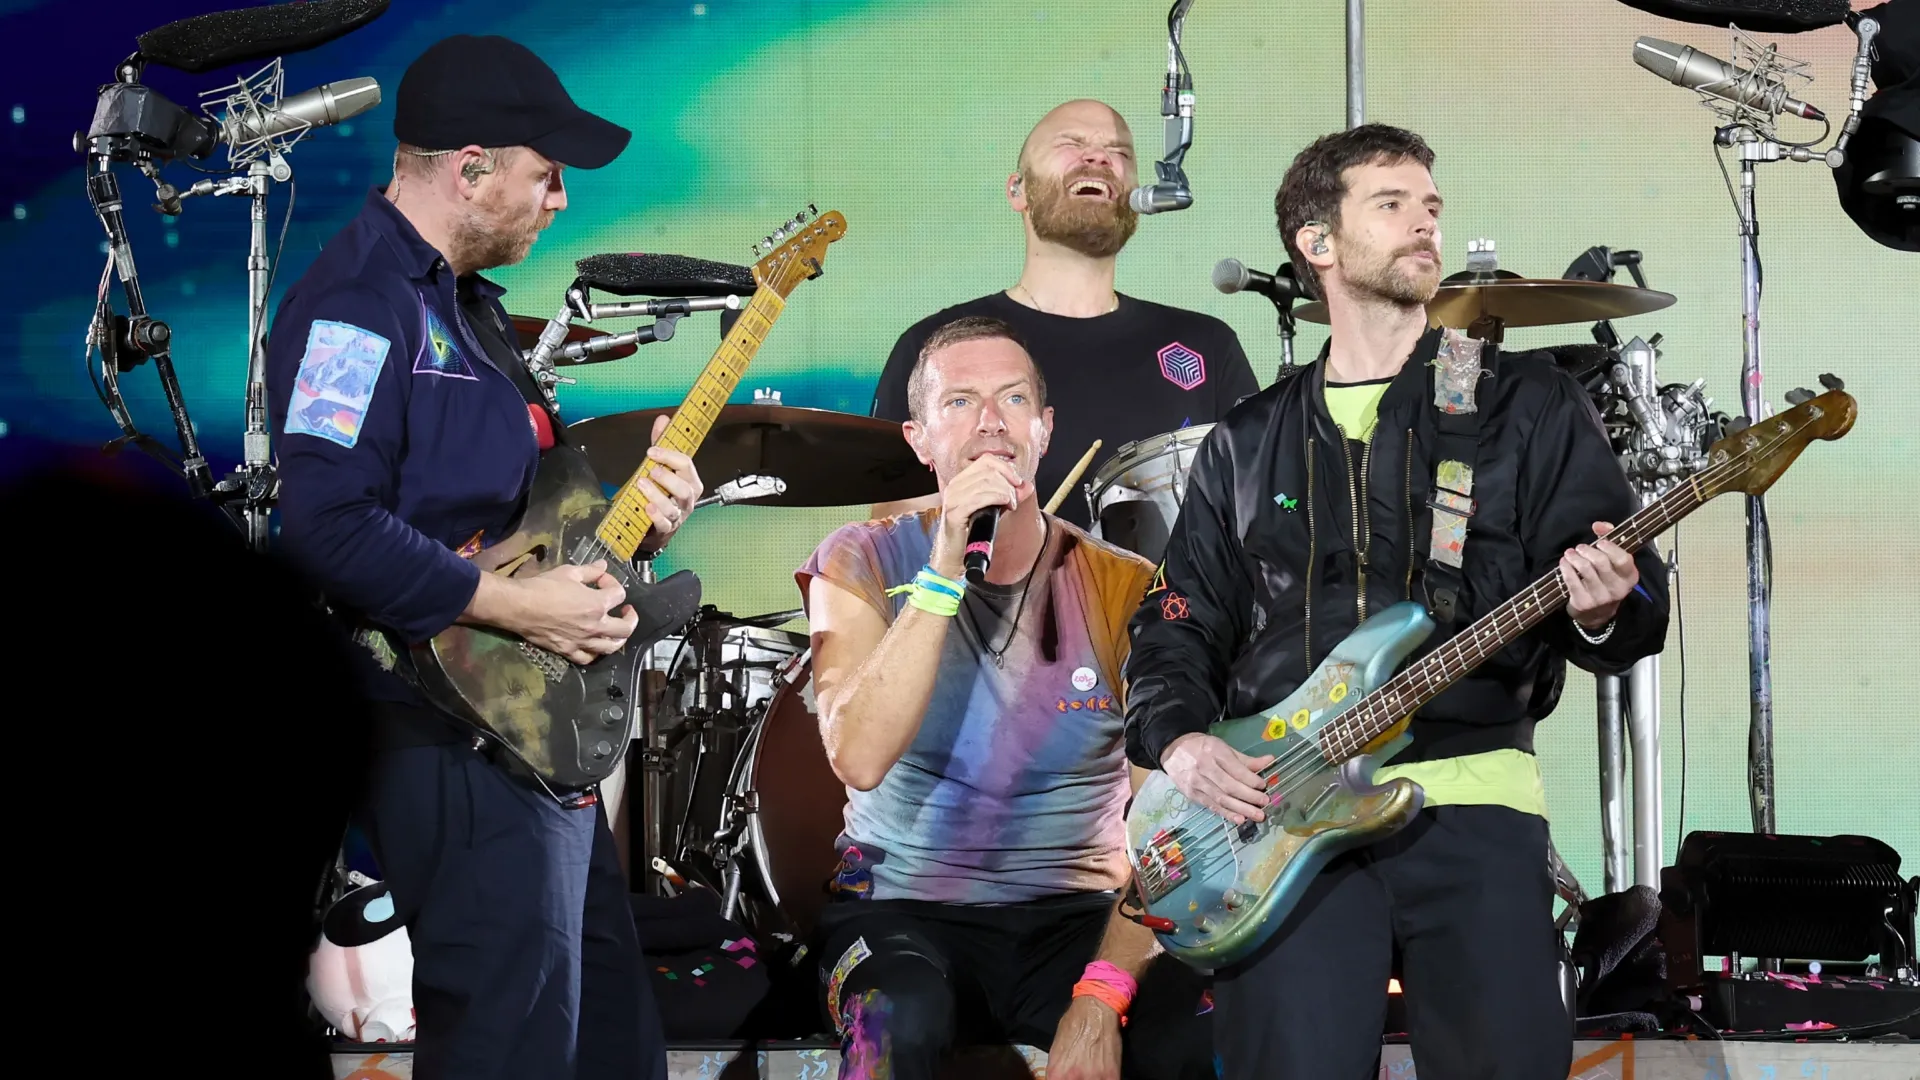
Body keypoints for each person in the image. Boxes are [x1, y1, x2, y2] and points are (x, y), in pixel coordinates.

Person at [1121, 125, 1672, 1080]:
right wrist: (1178, 741)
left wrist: (1601, 607)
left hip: (1477, 800)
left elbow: (1632, 598)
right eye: (1392, 204)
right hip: (1279, 820)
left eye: (1431, 205)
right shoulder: (1247, 440)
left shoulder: (1521, 401)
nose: (1425, 222)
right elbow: (1178, 621)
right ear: (1317, 242)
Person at [266, 35, 704, 1080]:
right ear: (469, 171)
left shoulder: (469, 308)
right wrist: (519, 609)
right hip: (446, 730)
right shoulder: (357, 303)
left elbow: (522, 524)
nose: (560, 199)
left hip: (528, 729)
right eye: (545, 174)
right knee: (511, 1049)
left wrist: (636, 520)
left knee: (607, 1049)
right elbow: (326, 524)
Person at [800, 316, 1210, 1080]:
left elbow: (1170, 825)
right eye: (960, 402)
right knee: (897, 1020)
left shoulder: (1123, 586)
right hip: (899, 913)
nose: (990, 421)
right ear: (919, 439)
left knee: (1196, 1025)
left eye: (1013, 399)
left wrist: (1102, 993)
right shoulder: (861, 557)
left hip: (1080, 915)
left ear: (1044, 430)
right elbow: (857, 755)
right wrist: (944, 568)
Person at [870, 99, 1258, 531]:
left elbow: (1256, 512)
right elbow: (896, 540)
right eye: (1071, 144)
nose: (1098, 157)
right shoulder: (938, 349)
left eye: (1120, 152)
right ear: (1017, 190)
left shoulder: (1206, 345)